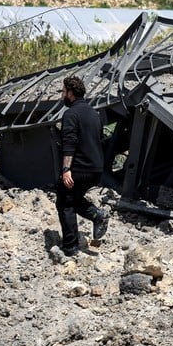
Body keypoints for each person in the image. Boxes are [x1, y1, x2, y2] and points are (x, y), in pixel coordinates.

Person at [55, 75, 110, 257]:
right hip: (96, 169)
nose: (63, 95)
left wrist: (66, 170)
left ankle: (70, 247)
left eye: (63, 91)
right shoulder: (94, 114)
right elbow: (100, 140)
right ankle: (97, 215)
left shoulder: (70, 114)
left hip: (79, 168)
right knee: (73, 198)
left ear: (70, 93)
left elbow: (69, 143)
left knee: (65, 202)